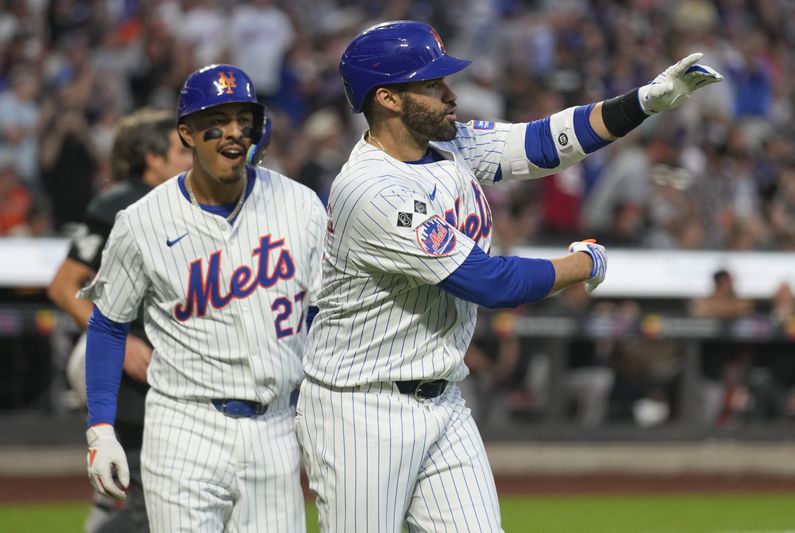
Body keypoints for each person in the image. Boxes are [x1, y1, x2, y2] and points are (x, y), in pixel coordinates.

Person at [297, 20, 723, 532]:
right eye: (432, 84)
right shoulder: (369, 189)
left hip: (443, 401)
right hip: (357, 411)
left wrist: (646, 101)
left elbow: (545, 143)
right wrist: (581, 265)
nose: (450, 93)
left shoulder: (450, 145)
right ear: (387, 98)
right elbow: (490, 282)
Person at [78, 64, 327, 533]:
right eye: (218, 119)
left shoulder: (301, 205)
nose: (234, 132)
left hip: (276, 427)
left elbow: (320, 315)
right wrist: (101, 427)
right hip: (185, 425)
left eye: (244, 119)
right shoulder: (142, 222)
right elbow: (109, 324)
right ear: (186, 133)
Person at [47, 108, 192, 533]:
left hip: (149, 357)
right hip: (113, 354)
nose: (192, 157)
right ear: (152, 157)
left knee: (128, 494)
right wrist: (123, 338)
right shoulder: (121, 203)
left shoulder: (184, 200)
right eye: (181, 150)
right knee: (149, 498)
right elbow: (62, 285)